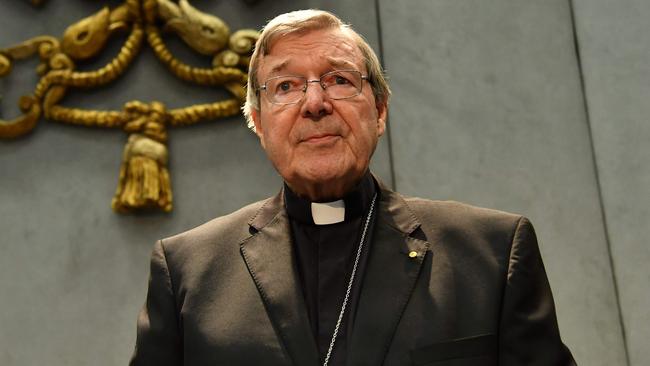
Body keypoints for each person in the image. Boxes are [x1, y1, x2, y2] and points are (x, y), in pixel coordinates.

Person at [129, 9, 576, 366]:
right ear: (260, 124)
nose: (316, 103)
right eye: (286, 86)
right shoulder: (187, 272)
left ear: (379, 111)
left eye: (340, 80)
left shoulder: (491, 255)